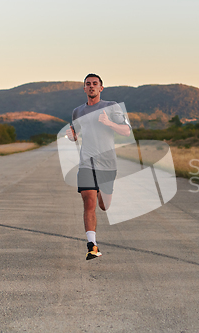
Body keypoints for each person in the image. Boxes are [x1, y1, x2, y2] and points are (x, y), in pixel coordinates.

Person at [66, 73, 131, 260]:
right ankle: (92, 246)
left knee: (104, 205)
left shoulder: (111, 106)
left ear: (101, 88)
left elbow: (126, 131)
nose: (92, 86)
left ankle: (103, 193)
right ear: (84, 88)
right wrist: (72, 136)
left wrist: (108, 122)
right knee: (89, 202)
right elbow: (76, 134)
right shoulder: (77, 111)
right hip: (86, 162)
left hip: (107, 164)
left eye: (95, 84)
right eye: (88, 84)